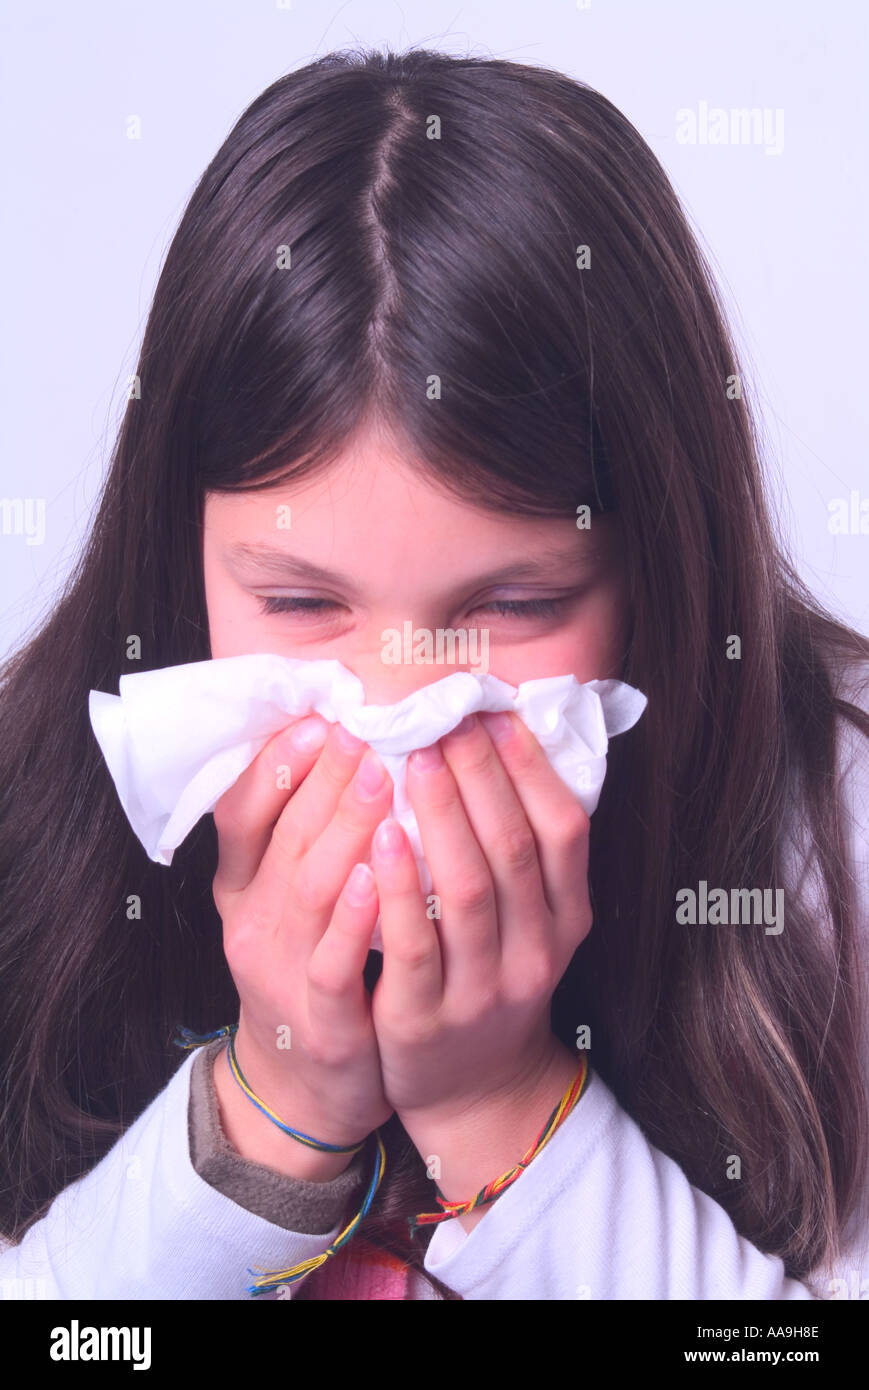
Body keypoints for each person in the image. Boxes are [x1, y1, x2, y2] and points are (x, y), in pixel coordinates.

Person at [0, 46, 866, 1302]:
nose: (400, 695)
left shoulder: (830, 844)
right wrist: (271, 1108)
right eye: (300, 604)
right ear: (178, 552)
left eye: (512, 606)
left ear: (661, 568)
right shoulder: (30, 825)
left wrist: (501, 1105)